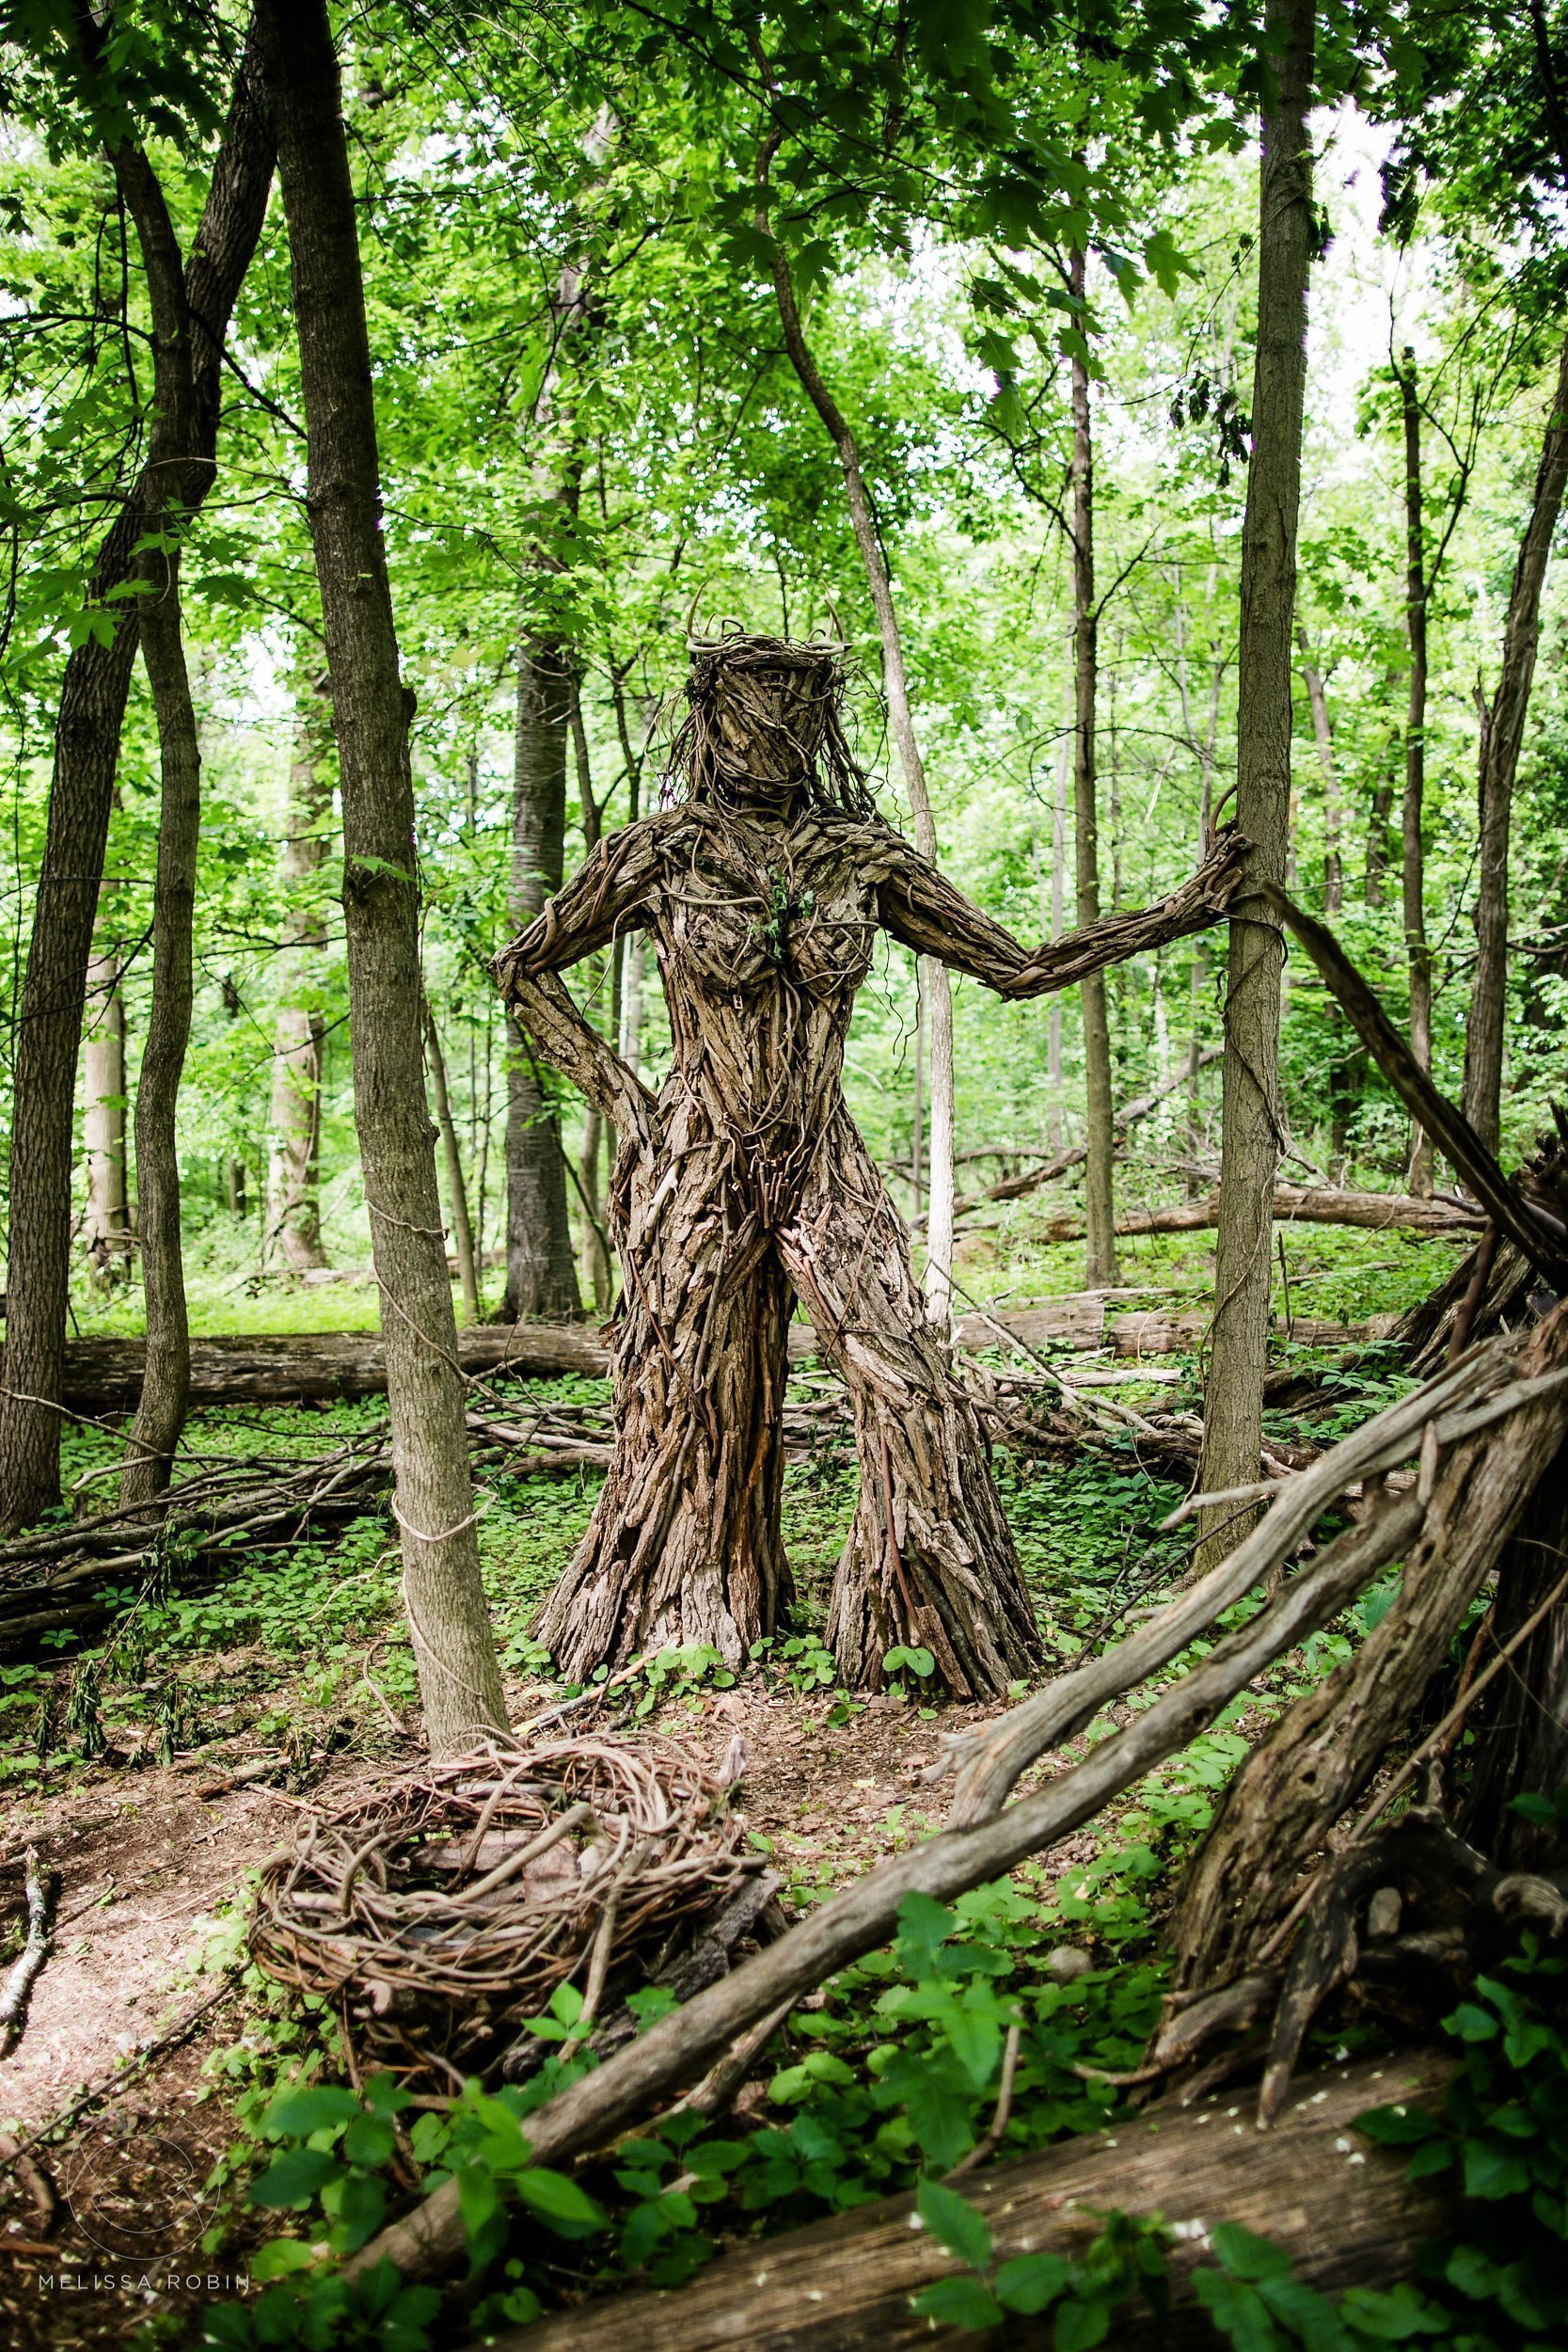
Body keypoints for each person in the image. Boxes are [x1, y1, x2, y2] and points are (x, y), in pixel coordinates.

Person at [494, 628, 1241, 1695]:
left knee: (915, 1384)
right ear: (710, 717)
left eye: (795, 714)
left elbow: (1017, 965)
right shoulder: (660, 850)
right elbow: (524, 970)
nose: (773, 737)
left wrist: (1179, 909)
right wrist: (624, 1100)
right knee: (689, 1402)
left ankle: (924, 1635)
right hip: (697, 1163)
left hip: (821, 1163)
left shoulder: (860, 855)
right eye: (752, 712)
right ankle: (679, 1612)